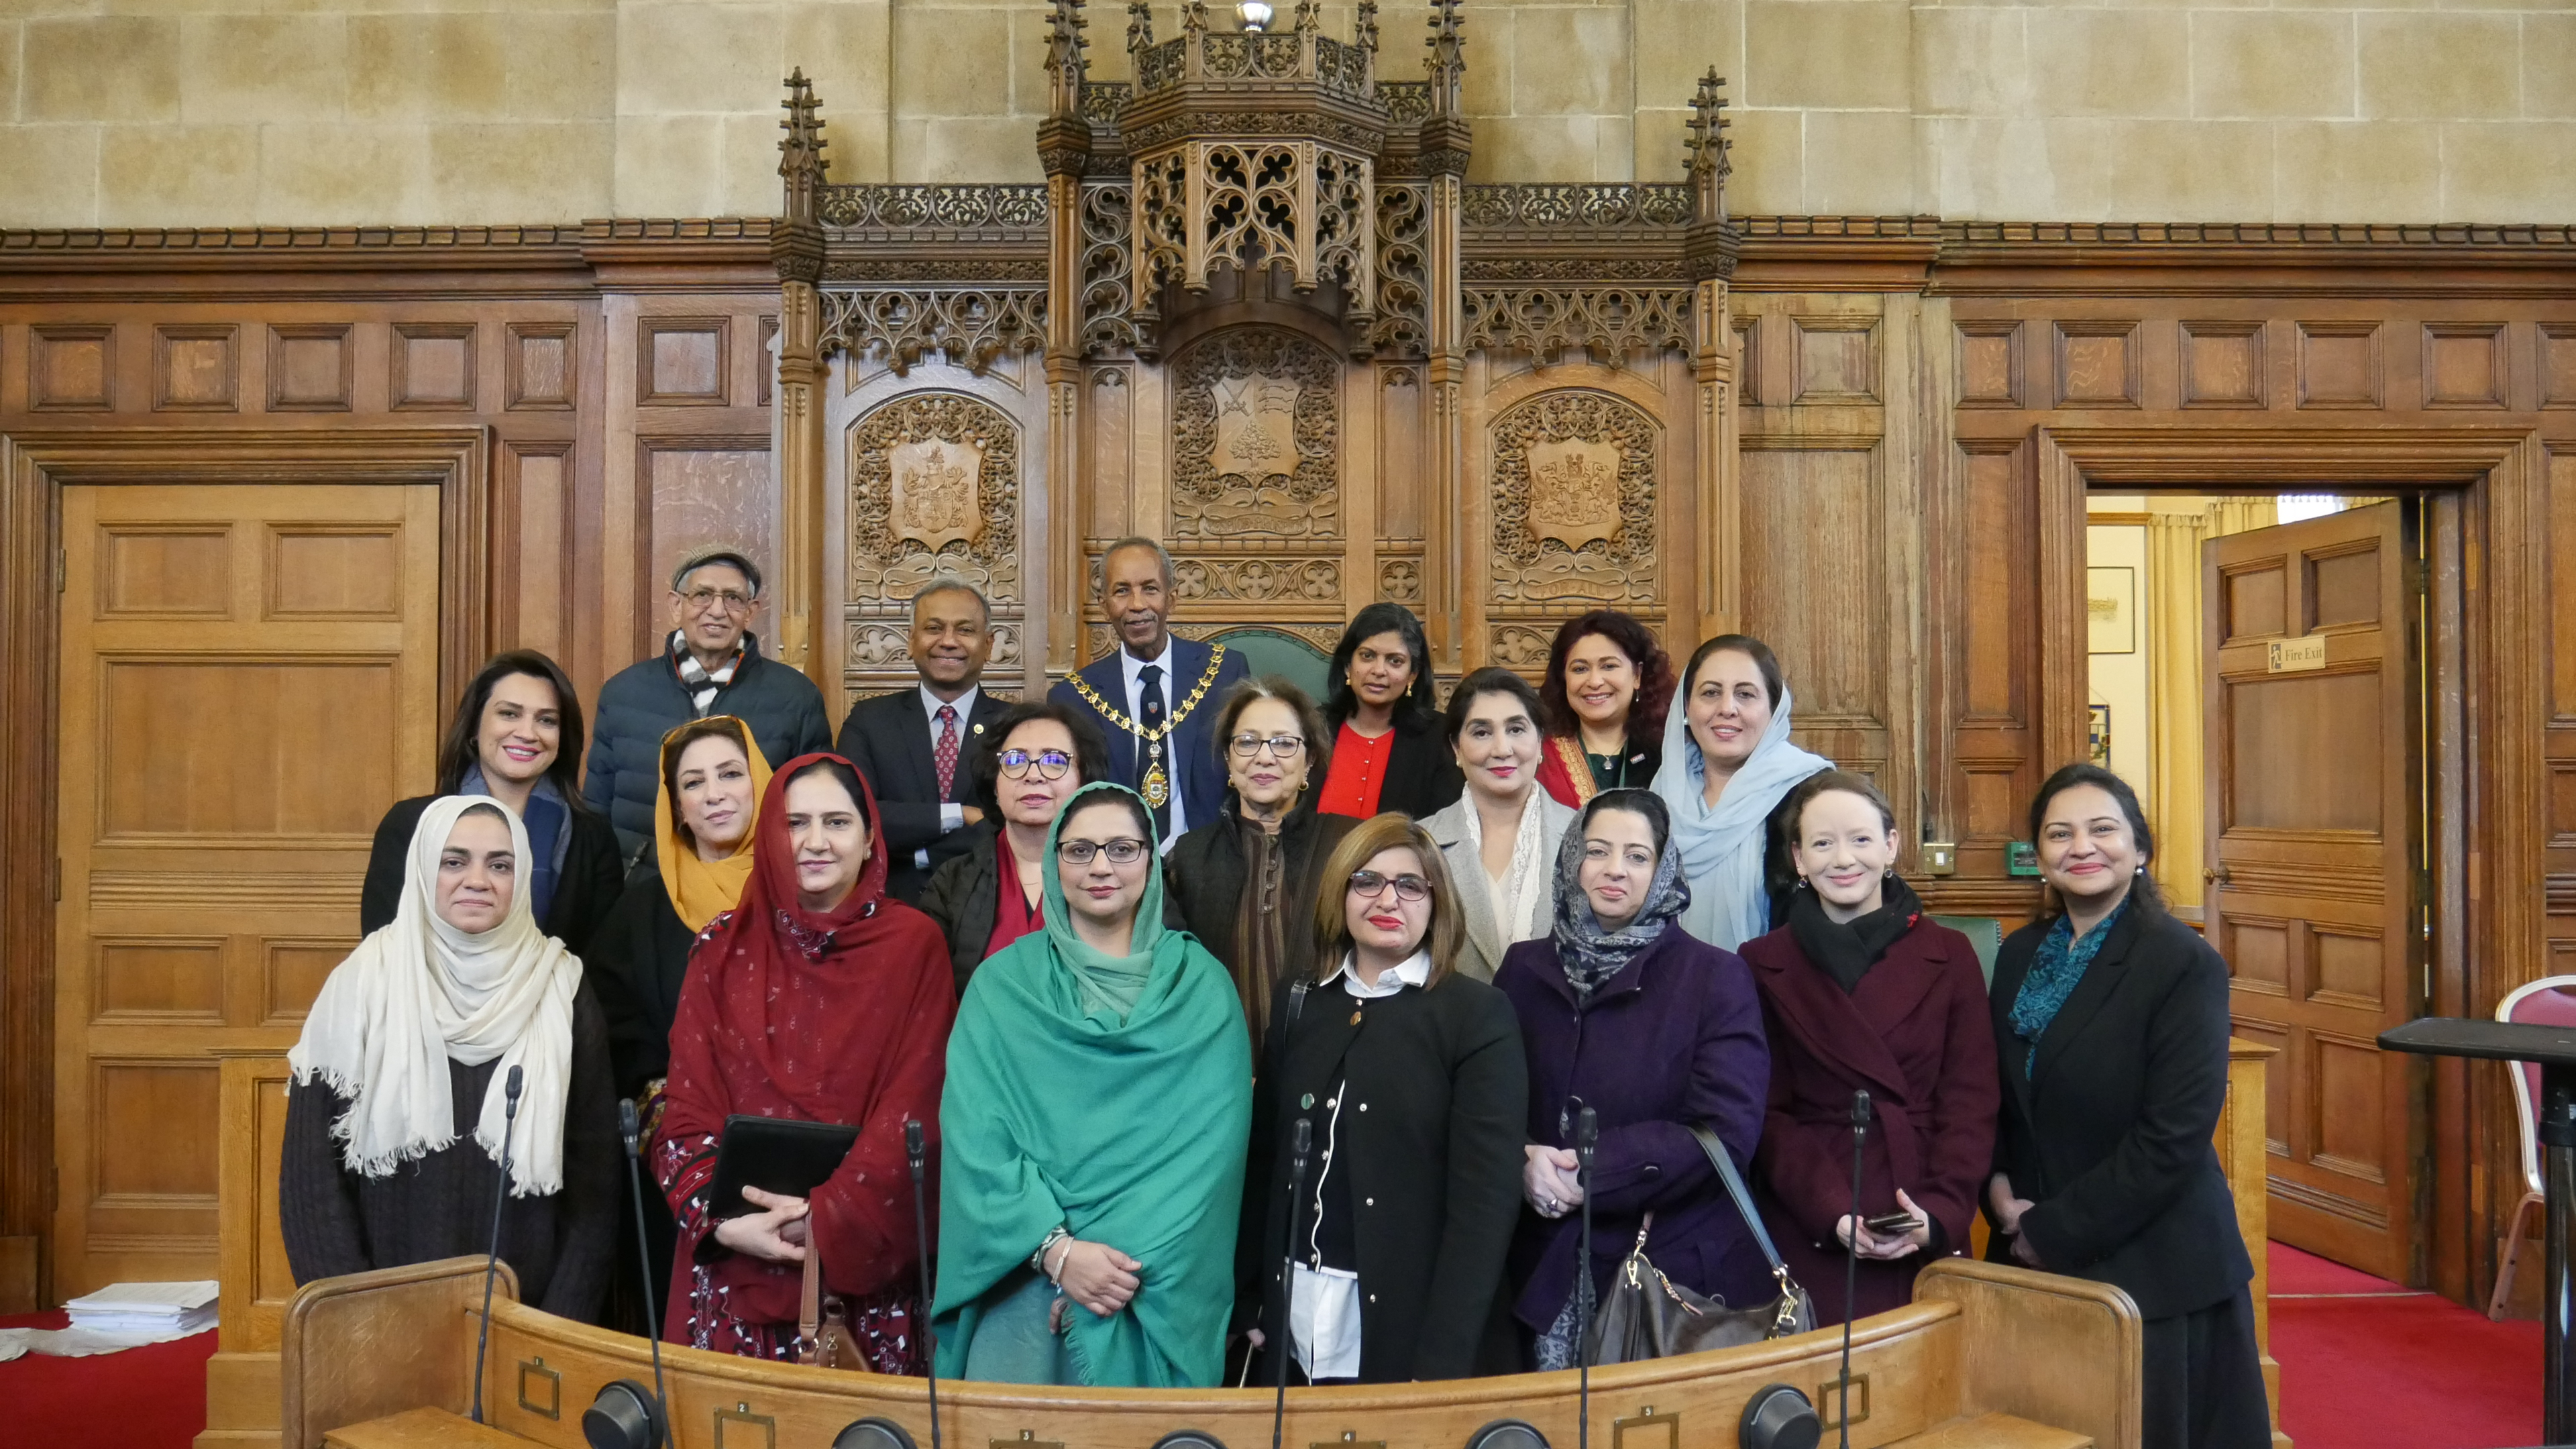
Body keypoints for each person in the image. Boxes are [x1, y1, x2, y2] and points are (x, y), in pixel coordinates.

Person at [1985, 764, 2269, 1449]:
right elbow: (1995, 1092)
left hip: (2153, 1267)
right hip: (2026, 1251)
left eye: (2103, 829)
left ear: (2140, 849)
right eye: (2060, 833)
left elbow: (2173, 1137)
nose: (2081, 846)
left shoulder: (2182, 963)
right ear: (2041, 859)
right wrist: (1994, 1190)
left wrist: (2051, 1229)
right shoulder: (2020, 954)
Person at [933, 784, 1251, 1389]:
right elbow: (978, 1137)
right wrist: (1058, 1255)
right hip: (1022, 1279)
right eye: (1078, 850)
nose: (1101, 867)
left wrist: (1107, 1271)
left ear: (1151, 860)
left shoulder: (1203, 988)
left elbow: (1210, 1163)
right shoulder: (1004, 986)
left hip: (1150, 1285)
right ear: (1054, 863)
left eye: (1122, 849)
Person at [651, 755, 956, 1365]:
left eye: (837, 823)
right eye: (795, 823)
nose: (815, 842)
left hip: (863, 1278)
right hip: (732, 1260)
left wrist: (827, 1217)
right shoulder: (719, 948)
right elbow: (684, 1109)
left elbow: (917, 1107)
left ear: (871, 839)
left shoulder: (913, 946)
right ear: (769, 834)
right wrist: (725, 1222)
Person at [281, 798, 620, 1323]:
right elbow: (312, 1181)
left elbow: (594, 1192)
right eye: (454, 861)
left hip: (528, 1321)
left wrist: (556, 1329)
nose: (478, 880)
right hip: (379, 1318)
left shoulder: (564, 989)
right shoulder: (363, 982)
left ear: (523, 876)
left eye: (500, 864)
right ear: (423, 868)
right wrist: (355, 1321)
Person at [1240, 812, 1527, 1384]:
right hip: (1292, 1312)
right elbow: (1265, 1164)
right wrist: (1252, 1296)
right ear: (1340, 893)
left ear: (1436, 902)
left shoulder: (1475, 1014)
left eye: (1410, 885)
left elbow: (1485, 1207)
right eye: (1366, 881)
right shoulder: (1302, 1003)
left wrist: (1443, 1358)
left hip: (1410, 1327)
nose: (1387, 899)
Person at [1493, 789, 1769, 1371]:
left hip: (1663, 1270)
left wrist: (1588, 1172)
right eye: (1597, 851)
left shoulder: (1715, 976)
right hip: (1535, 1262)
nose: (1615, 869)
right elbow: (1488, 1102)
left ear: (1664, 868)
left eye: (1638, 856)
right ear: (1573, 859)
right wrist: (1520, 1158)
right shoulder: (1523, 967)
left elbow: (1728, 1129)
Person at [1741, 771, 1997, 1326]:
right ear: (1798, 859)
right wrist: (1831, 1211)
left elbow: (1971, 1102)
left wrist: (1941, 1211)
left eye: (1860, 839)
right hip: (1813, 1216)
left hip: (1923, 1205)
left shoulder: (1950, 955)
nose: (1843, 859)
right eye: (1822, 843)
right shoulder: (1760, 962)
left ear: (1890, 846)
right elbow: (1768, 1114)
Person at [582, 716, 771, 1330]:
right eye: (693, 783)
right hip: (681, 1173)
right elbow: (619, 1035)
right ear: (677, 809)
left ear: (761, 784)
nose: (715, 793)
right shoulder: (640, 912)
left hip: (800, 1165)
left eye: (730, 774)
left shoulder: (810, 893)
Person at [362, 651, 623, 960]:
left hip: (553, 1007)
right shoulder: (409, 825)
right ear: (475, 726)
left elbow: (601, 966)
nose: (527, 733)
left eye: (546, 720)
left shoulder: (592, 839)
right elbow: (383, 946)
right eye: (509, 714)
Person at [586, 546, 833, 859]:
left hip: (752, 889)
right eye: (702, 595)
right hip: (642, 886)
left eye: (733, 598)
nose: (717, 610)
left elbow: (814, 806)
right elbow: (596, 810)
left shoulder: (796, 696)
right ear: (676, 605)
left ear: (750, 612)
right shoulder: (622, 693)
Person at [1167, 678, 1358, 1044]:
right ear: (1228, 759)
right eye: (1248, 742)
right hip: (1220, 1065)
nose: (1265, 757)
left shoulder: (1351, 845)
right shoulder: (1188, 858)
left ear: (1310, 761)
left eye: (1284, 743)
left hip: (1329, 1065)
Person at [1050, 537, 1250, 847]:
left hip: (1212, 861)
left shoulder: (1224, 672)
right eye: (1122, 591)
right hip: (1116, 866)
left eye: (1150, 589)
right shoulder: (1074, 697)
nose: (1137, 605)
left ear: (1172, 598)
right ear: (1104, 606)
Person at [918, 701, 1115, 995]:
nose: (1033, 775)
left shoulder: (1124, 871)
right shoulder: (954, 882)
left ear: (1084, 779)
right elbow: (929, 997)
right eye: (1014, 761)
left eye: (1054, 761)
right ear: (995, 785)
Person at [1650, 633, 1832, 951]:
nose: (1727, 708)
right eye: (1710, 693)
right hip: (1670, 992)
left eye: (1745, 694)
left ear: (1774, 710)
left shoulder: (1813, 796)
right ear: (1685, 707)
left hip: (1777, 992)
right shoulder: (1660, 796)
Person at [835, 578, 1011, 904]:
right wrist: (963, 814)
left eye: (965, 630)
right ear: (911, 641)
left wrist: (918, 851)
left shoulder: (1016, 728)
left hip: (990, 905)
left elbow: (1013, 827)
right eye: (934, 628)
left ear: (988, 645)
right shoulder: (869, 721)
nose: (948, 642)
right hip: (888, 907)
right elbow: (856, 817)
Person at [1421, 669, 1577, 982]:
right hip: (1455, 1028)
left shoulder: (1587, 837)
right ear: (1456, 748)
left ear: (1541, 741)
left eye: (1517, 729)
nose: (1502, 749)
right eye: (1481, 733)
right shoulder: (1420, 842)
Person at [1316, 603, 1462, 820]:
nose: (1379, 671)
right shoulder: (1313, 727)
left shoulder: (1439, 737)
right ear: (1347, 665)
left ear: (1413, 674)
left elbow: (1445, 827)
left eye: (1395, 661)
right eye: (1367, 656)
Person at [1534, 610, 1674, 809]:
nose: (1595, 682)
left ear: (1637, 675)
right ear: (1563, 679)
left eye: (1609, 666)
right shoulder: (1538, 755)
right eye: (1580, 669)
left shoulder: (1668, 752)